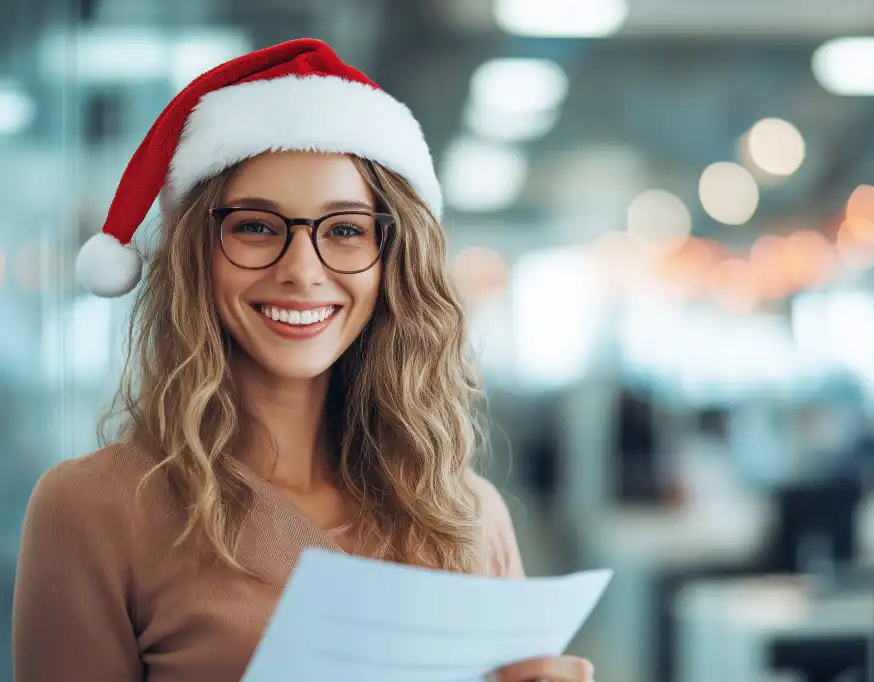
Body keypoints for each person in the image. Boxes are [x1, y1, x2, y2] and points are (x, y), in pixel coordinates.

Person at [12, 38, 594, 682]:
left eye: (345, 230)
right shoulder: (92, 509)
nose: (300, 271)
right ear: (196, 254)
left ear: (391, 262)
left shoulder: (468, 515)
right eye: (256, 226)